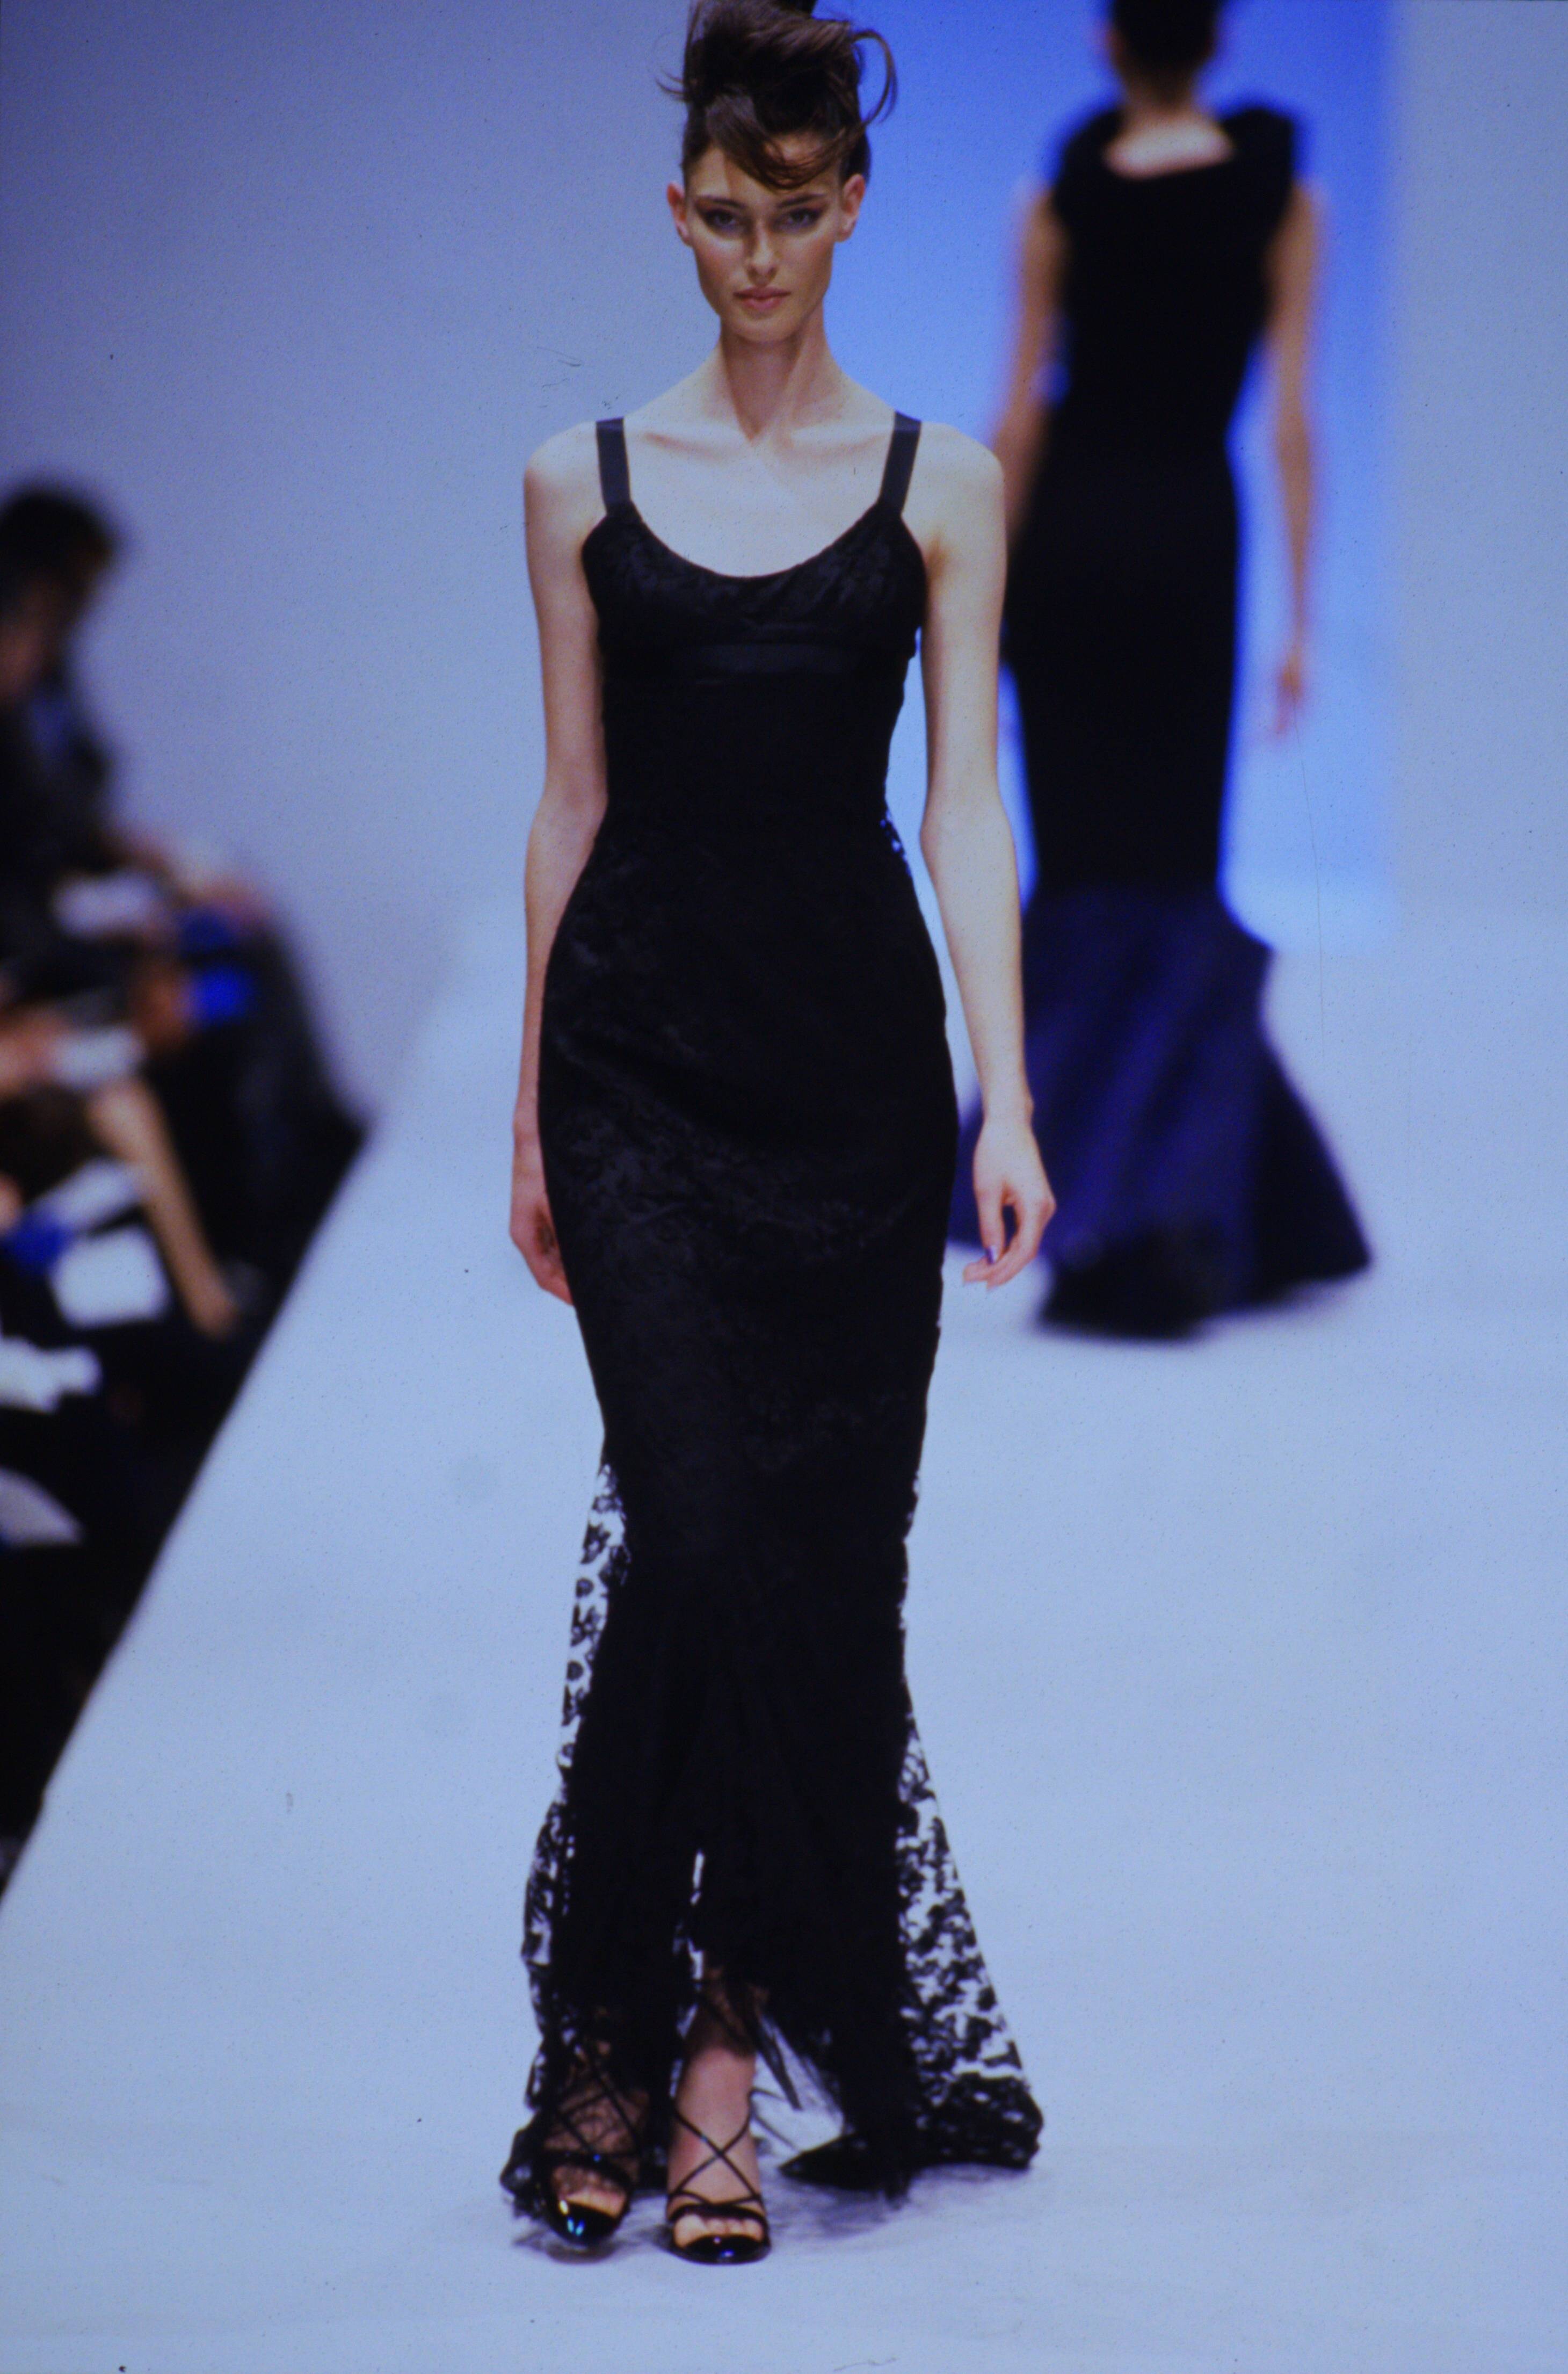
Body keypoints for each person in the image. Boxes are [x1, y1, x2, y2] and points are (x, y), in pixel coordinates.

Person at [503, 0, 1052, 2263]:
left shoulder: (942, 485)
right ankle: (612, 2042)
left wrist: (1009, 1094)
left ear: (851, 206)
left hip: (848, 1092)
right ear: (678, 210)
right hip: (637, 1070)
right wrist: (529, 1117)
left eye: (796, 215)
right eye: (726, 217)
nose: (758, 258)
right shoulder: (577, 481)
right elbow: (569, 809)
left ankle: (708, 2051)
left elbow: (965, 806)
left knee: (814, 1570)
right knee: (701, 1530)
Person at [954, 0, 1370, 1336]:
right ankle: (1181, 1196)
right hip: (1191, 543)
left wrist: (973, 595)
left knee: (1083, 875)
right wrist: (1302, 617)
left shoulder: (1058, 195)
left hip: (1073, 545)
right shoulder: (1281, 197)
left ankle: (1112, 1189)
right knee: (1174, 878)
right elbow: (1291, 418)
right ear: (1217, 37)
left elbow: (1018, 414)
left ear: (1104, 40)